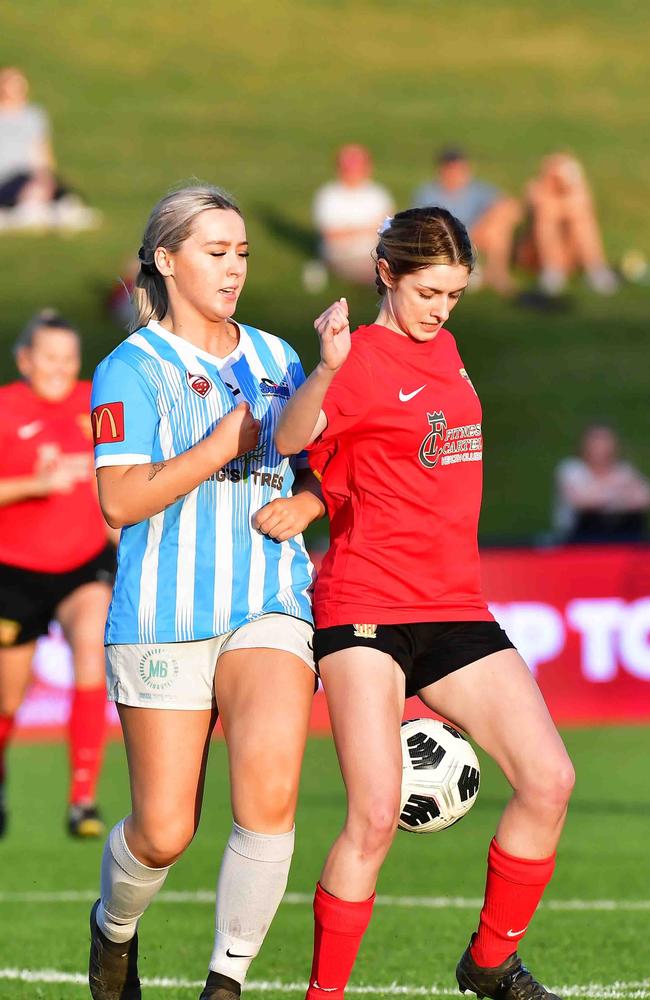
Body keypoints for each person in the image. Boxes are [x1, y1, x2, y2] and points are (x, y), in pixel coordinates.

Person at [275, 207, 575, 1000]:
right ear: (386, 274)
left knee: (549, 780)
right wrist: (328, 369)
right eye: (428, 291)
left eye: (454, 294)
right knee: (374, 815)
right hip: (364, 606)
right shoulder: (364, 359)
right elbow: (290, 439)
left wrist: (312, 502)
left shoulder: (445, 347)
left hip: (453, 606)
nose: (440, 308)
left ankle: (489, 963)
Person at [87, 185, 325, 1000]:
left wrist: (312, 501)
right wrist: (221, 443)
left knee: (270, 792)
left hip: (269, 602)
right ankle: (113, 929)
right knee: (163, 831)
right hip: (162, 614)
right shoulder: (131, 367)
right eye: (216, 253)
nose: (233, 269)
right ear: (166, 260)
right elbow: (119, 502)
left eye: (243, 254)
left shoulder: (279, 357)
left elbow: (319, 464)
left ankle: (225, 982)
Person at [0, 309, 115, 839]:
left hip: (82, 564)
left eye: (68, 357)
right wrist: (33, 485)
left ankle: (82, 799)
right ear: (25, 360)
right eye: (49, 356)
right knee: (7, 698)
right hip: (14, 572)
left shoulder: (97, 403)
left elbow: (118, 470)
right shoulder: (5, 409)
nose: (60, 367)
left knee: (91, 642)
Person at [0, 66, 99, 230]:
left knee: (64, 196)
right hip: (6, 176)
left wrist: (46, 176)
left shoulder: (34, 114)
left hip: (29, 173)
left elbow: (40, 149)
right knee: (26, 191)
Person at [412, 147, 521, 295]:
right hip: (445, 241)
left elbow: (512, 208)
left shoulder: (478, 190)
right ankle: (487, 275)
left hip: (475, 235)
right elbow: (421, 226)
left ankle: (497, 274)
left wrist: (486, 222)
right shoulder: (428, 192)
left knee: (496, 230)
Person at [520, 153, 619, 297]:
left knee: (580, 217)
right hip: (536, 256)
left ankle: (596, 269)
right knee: (547, 215)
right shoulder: (536, 191)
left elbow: (588, 209)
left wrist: (570, 201)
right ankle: (553, 271)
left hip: (570, 254)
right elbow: (533, 218)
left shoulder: (576, 195)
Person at [311, 144, 394, 285]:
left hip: (378, 253)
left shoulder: (377, 193)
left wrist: (352, 230)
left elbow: (390, 227)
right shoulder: (329, 196)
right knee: (383, 277)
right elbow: (332, 236)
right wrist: (370, 228)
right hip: (343, 256)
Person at [554, 424, 650, 542]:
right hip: (581, 536)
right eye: (596, 443)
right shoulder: (572, 469)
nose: (601, 448)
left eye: (605, 442)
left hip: (622, 533)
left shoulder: (623, 470)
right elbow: (582, 501)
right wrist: (618, 491)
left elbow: (643, 499)